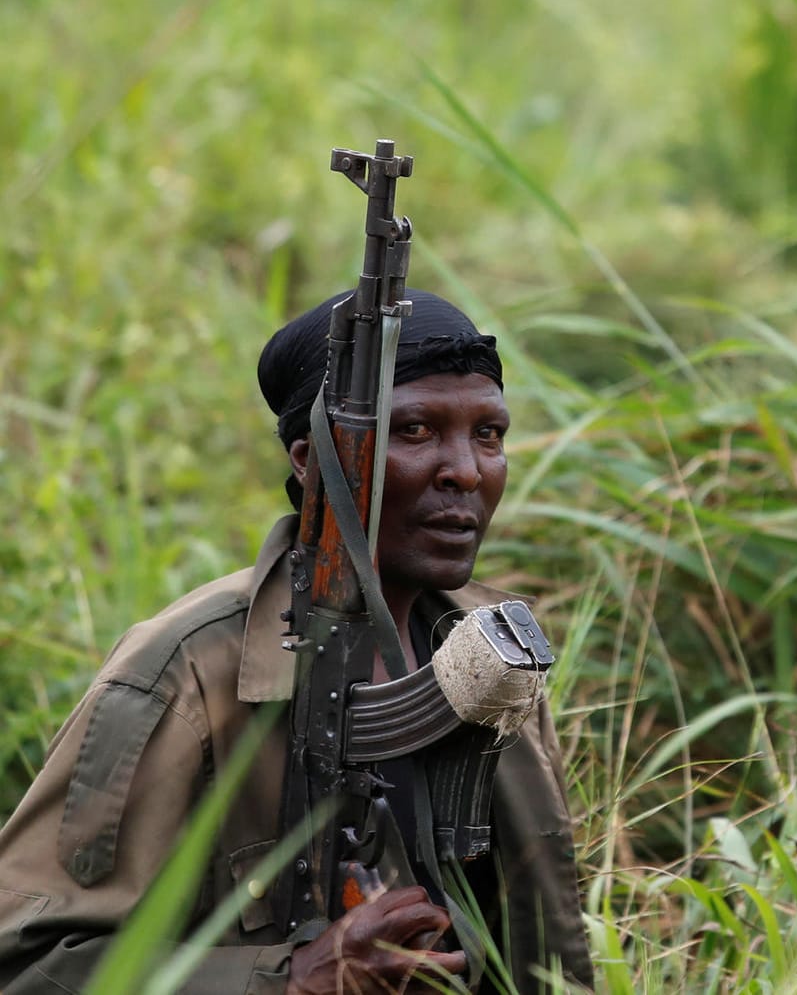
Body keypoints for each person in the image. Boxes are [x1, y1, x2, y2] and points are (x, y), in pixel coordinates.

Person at [0, 291, 594, 992]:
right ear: (314, 459)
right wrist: (287, 980)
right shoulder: (185, 672)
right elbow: (28, 963)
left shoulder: (492, 646)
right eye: (414, 430)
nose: (465, 469)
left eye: (488, 433)